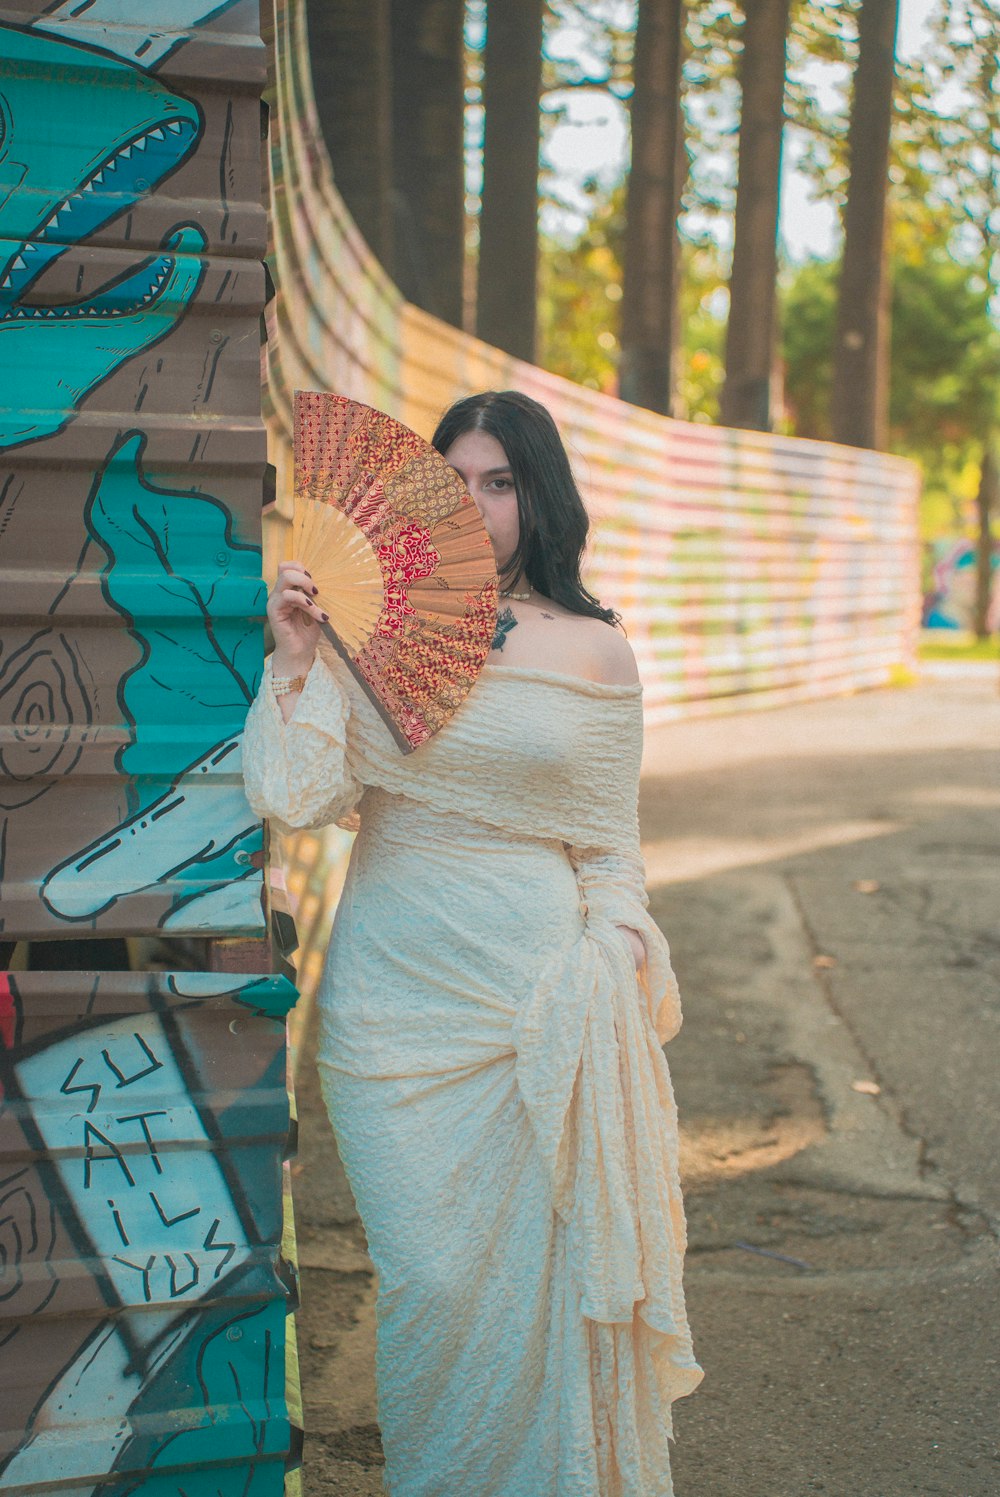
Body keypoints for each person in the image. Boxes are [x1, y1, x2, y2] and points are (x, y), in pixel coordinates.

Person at [242, 390, 702, 1496]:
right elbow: (297, 796)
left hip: (539, 1010)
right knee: (434, 1288)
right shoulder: (371, 629)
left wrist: (618, 944)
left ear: (539, 496)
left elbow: (608, 852)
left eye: (500, 483)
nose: (479, 506)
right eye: (455, 484)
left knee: (546, 1291)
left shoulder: (597, 654)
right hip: (392, 1009)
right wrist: (299, 660)